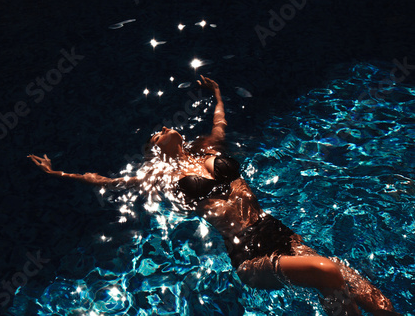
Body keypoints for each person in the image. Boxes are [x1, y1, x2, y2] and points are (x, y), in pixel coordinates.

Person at [28, 76, 399, 315]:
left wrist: (218, 93)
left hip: (275, 229)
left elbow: (219, 122)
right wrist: (56, 172)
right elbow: (107, 182)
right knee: (330, 272)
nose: (162, 128)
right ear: (153, 152)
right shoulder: (162, 175)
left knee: (352, 291)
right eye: (155, 135)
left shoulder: (207, 150)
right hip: (249, 254)